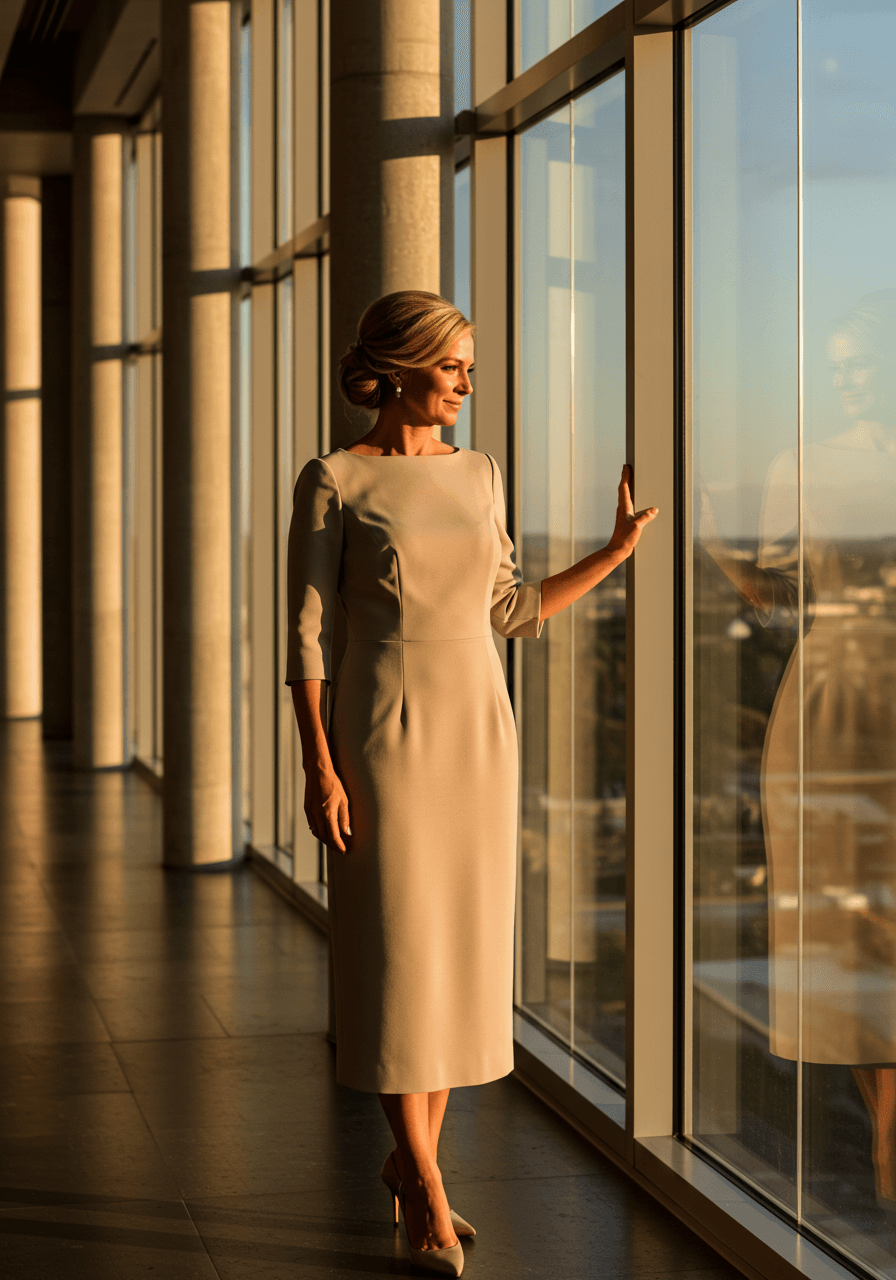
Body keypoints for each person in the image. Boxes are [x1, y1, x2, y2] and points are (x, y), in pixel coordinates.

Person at [285, 289, 658, 1275]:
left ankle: (414, 1168)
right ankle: (426, 1193)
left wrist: (613, 554)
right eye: (452, 365)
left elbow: (508, 605)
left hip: (476, 729)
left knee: (447, 961)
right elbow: (307, 638)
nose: (463, 383)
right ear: (401, 365)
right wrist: (318, 763)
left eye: (468, 369)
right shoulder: (334, 476)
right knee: (397, 955)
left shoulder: (479, 473)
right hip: (382, 733)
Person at [700, 288, 896, 1204]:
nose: (848, 377)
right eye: (836, 365)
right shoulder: (803, 464)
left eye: (861, 359)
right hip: (831, 707)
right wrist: (709, 539)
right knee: (846, 930)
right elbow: (775, 593)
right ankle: (890, 1134)